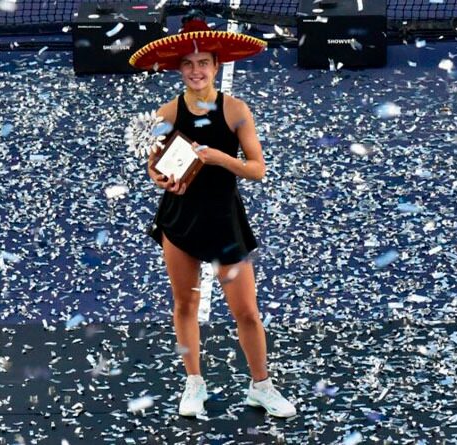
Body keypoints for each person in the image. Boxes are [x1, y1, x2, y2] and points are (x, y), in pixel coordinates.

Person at [129, 11, 296, 418]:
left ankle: (261, 386)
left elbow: (257, 169)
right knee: (184, 305)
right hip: (179, 218)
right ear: (179, 69)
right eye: (188, 64)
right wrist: (161, 179)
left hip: (224, 219)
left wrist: (222, 159)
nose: (196, 71)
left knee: (247, 312)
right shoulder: (167, 113)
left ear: (216, 66)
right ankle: (194, 384)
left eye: (203, 62)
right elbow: (154, 167)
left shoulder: (236, 110)